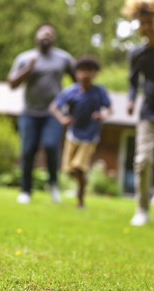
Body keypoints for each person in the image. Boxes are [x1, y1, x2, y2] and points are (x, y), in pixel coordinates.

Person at [7, 22, 75, 204]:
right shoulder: (25, 57)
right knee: (28, 150)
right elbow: (12, 84)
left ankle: (53, 185)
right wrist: (28, 68)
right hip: (29, 112)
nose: (46, 36)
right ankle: (25, 191)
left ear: (54, 38)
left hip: (54, 112)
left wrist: (73, 105)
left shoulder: (64, 58)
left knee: (52, 147)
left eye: (50, 34)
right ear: (36, 36)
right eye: (43, 33)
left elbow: (78, 82)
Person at [50, 55, 112, 208]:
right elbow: (54, 106)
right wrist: (62, 119)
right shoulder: (70, 92)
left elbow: (109, 109)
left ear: (95, 73)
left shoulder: (99, 91)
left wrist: (102, 115)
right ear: (76, 73)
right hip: (73, 135)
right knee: (69, 170)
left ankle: (81, 200)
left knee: (78, 167)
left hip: (90, 137)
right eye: (82, 70)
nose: (86, 74)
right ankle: (83, 182)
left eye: (90, 71)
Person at [122, 0, 154, 225]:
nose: (145, 27)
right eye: (141, 23)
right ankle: (141, 209)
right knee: (142, 161)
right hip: (148, 113)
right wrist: (131, 99)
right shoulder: (137, 54)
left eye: (149, 22)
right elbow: (133, 82)